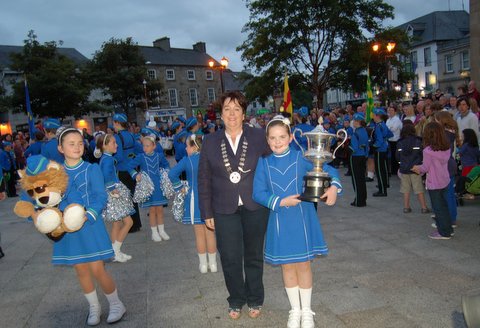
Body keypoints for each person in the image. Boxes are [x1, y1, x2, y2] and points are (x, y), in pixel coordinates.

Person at [252, 115, 341, 328]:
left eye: (281, 136)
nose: (277, 141)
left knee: (303, 265)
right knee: (287, 267)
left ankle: (307, 311)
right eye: (272, 138)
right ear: (267, 140)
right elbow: (258, 192)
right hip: (280, 219)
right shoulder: (264, 163)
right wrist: (280, 201)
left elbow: (329, 170)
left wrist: (334, 188)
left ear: (291, 137)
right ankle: (295, 310)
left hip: (303, 217)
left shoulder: (303, 157)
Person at [198, 91, 271, 320]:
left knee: (253, 255)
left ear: (243, 113)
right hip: (223, 207)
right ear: (221, 113)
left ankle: (255, 298)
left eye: (237, 109)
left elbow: (275, 165)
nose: (232, 114)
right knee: (229, 256)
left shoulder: (259, 137)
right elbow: (203, 179)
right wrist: (206, 211)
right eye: (227, 109)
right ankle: (236, 299)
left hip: (255, 205)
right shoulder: (210, 141)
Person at [55, 128, 126, 325]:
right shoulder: (56, 173)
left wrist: (88, 215)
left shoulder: (91, 168)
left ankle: (116, 303)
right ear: (61, 148)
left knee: (97, 269)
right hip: (69, 229)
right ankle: (94, 307)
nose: (77, 147)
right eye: (71, 144)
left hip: (90, 225)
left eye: (80, 143)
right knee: (81, 270)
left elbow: (100, 196)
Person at [168, 134, 217, 273]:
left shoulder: (187, 160)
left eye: (187, 145)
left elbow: (172, 174)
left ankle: (203, 265)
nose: (185, 148)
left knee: (199, 234)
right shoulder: (210, 159)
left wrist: (179, 187)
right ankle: (213, 265)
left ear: (194, 146)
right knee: (210, 233)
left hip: (194, 200)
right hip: (210, 199)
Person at [412, 122, 454, 239]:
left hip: (434, 183)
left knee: (438, 209)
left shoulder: (428, 151)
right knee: (444, 206)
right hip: (444, 180)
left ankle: (443, 232)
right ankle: (448, 229)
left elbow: (425, 168)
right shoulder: (446, 148)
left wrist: (416, 168)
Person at [96, 134, 134, 263]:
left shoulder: (106, 158)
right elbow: (106, 175)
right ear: (104, 146)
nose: (116, 145)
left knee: (117, 223)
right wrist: (113, 189)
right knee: (128, 222)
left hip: (112, 192)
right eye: (113, 143)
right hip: (114, 194)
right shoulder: (108, 159)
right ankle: (116, 251)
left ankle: (115, 252)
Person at [129, 135, 170, 242]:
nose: (145, 148)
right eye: (144, 146)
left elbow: (166, 165)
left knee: (160, 209)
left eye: (148, 146)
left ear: (154, 146)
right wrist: (135, 175)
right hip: (148, 187)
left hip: (159, 186)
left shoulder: (159, 156)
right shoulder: (140, 157)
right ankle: (154, 232)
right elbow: (129, 166)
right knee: (152, 210)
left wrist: (165, 174)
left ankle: (162, 230)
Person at [112, 113, 142, 233]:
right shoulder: (130, 134)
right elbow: (139, 150)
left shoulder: (118, 137)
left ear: (118, 123)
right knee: (133, 197)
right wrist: (134, 161)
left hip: (122, 171)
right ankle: (137, 224)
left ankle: (130, 225)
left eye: (114, 123)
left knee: (125, 198)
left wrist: (109, 161)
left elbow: (118, 156)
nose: (113, 125)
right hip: (132, 170)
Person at [396, 122, 430, 214]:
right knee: (418, 188)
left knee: (405, 189)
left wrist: (401, 164)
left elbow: (398, 156)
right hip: (416, 168)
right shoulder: (418, 141)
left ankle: (406, 207)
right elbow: (422, 154)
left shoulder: (400, 142)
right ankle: (424, 207)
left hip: (404, 169)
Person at [349, 113, 369, 207]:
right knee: (361, 179)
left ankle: (358, 200)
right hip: (362, 156)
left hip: (356, 157)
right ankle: (363, 199)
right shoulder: (364, 131)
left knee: (356, 180)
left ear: (358, 122)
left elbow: (354, 148)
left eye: (354, 121)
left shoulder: (355, 133)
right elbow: (367, 146)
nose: (353, 122)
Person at [371, 108, 392, 196]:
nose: (372, 116)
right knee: (383, 169)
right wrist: (384, 139)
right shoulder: (382, 124)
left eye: (373, 115)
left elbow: (379, 141)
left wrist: (373, 146)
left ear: (377, 116)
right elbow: (390, 134)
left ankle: (382, 190)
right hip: (384, 148)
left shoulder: (379, 126)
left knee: (379, 171)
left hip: (380, 150)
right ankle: (383, 188)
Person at [386, 105, 402, 176]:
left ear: (395, 112)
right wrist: (389, 128)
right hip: (389, 140)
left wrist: (389, 128)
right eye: (389, 110)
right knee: (390, 156)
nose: (390, 112)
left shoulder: (397, 119)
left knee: (395, 156)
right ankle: (391, 170)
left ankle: (395, 170)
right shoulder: (388, 120)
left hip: (395, 140)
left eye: (392, 110)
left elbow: (393, 129)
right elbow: (387, 129)